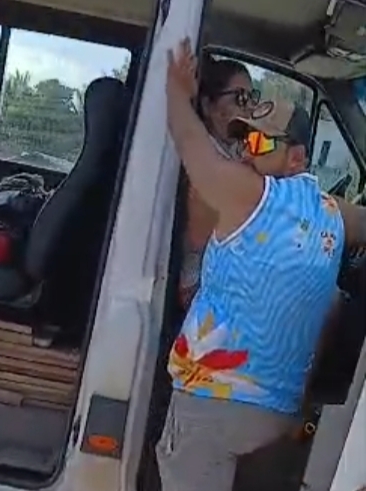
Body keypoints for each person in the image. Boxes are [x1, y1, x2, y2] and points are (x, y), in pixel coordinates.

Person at [157, 37, 366, 491]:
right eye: (242, 137)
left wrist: (176, 94)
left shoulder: (245, 192)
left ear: (296, 157)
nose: (246, 150)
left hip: (212, 398)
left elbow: (190, 142)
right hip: (277, 411)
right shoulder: (333, 212)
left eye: (258, 140)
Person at [180, 56, 260, 307]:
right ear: (208, 106)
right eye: (240, 98)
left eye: (252, 97)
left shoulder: (234, 153)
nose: (249, 107)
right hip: (198, 287)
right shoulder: (205, 163)